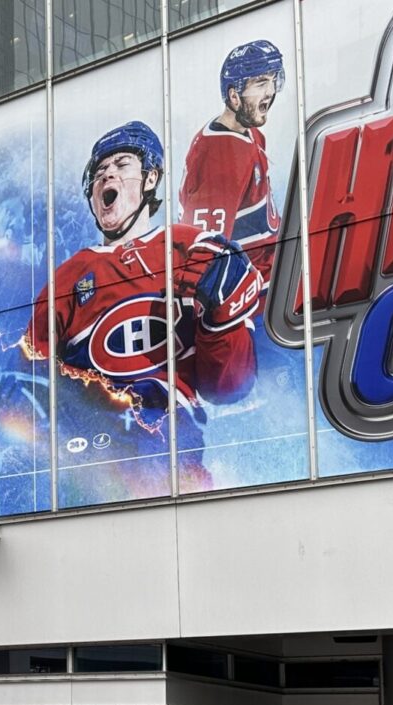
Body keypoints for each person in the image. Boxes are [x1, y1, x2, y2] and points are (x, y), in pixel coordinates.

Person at [22, 119, 263, 487]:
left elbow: (228, 387)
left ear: (151, 179)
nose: (107, 177)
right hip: (91, 453)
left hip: (169, 444)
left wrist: (222, 319)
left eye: (121, 166)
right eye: (100, 171)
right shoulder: (67, 278)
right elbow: (28, 372)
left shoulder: (194, 247)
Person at [178, 40, 286, 280]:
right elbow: (205, 257)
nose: (270, 91)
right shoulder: (219, 156)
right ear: (234, 95)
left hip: (269, 282)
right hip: (253, 299)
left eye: (272, 79)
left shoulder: (252, 133)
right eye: (260, 82)